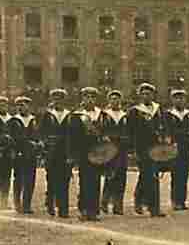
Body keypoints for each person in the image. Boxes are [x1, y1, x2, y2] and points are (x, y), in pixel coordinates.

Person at [67, 87, 108, 221]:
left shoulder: (101, 114)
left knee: (96, 181)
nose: (89, 100)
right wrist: (73, 154)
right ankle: (84, 209)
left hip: (98, 152)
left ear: (95, 99)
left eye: (92, 97)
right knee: (84, 181)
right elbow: (72, 136)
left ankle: (94, 211)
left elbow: (106, 131)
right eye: (86, 97)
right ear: (82, 99)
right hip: (83, 152)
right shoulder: (76, 115)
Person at [128, 82, 167, 217]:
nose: (146, 96)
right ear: (139, 95)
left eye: (148, 93)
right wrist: (133, 150)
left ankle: (140, 201)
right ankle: (153, 208)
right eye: (143, 93)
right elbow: (130, 132)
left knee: (149, 176)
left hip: (156, 148)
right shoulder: (134, 111)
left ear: (153, 95)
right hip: (141, 148)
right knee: (149, 176)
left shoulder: (159, 110)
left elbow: (164, 127)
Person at [40, 89, 72, 218]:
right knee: (52, 179)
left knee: (65, 180)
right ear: (52, 100)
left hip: (65, 152)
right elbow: (42, 133)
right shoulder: (47, 115)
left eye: (60, 98)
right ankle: (50, 203)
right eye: (55, 98)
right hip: (51, 152)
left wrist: (71, 154)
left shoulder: (70, 115)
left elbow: (73, 134)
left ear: (64, 100)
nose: (58, 101)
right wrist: (45, 147)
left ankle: (63, 208)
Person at [8, 96, 42, 214]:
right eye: (19, 105)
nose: (21, 107)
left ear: (29, 106)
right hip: (19, 153)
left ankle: (27, 205)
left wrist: (38, 143)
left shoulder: (34, 120)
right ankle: (17, 204)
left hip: (31, 154)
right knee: (18, 179)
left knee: (30, 180)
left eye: (23, 105)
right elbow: (11, 138)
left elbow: (38, 134)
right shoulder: (13, 121)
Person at [166, 89, 189, 211]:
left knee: (184, 174)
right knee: (176, 175)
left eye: (182, 98)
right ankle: (175, 201)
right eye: (176, 98)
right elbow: (167, 131)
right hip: (174, 146)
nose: (179, 100)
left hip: (186, 146)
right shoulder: (169, 114)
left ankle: (182, 201)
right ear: (172, 100)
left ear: (185, 100)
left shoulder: (188, 114)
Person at [101, 89, 129, 215]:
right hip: (109, 147)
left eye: (117, 98)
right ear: (109, 100)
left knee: (121, 176)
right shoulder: (104, 114)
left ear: (120, 100)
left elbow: (129, 131)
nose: (115, 101)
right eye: (112, 98)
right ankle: (105, 201)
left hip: (122, 148)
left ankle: (118, 204)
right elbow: (100, 129)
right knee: (110, 175)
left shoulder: (125, 115)